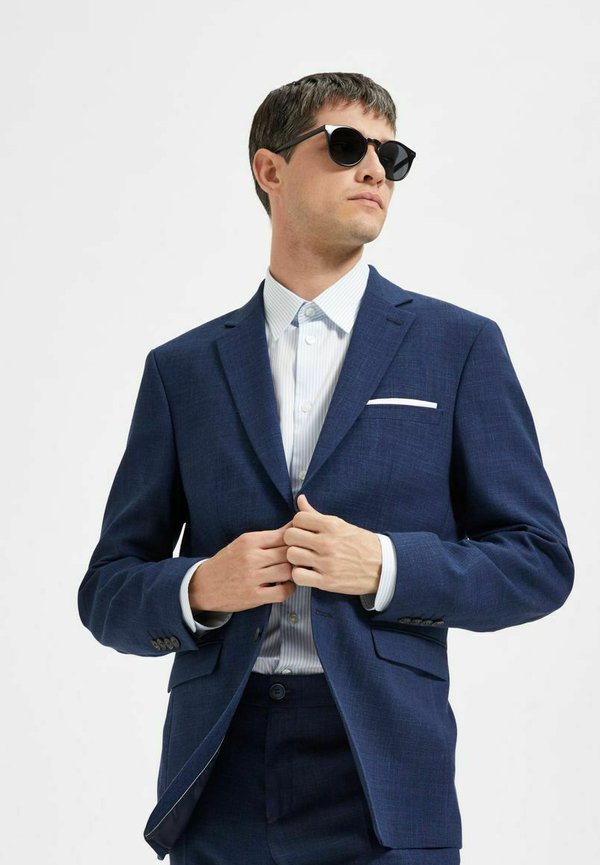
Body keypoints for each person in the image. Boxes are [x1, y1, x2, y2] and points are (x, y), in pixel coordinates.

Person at [77, 72, 575, 865]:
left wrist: (384, 565)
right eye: (346, 146)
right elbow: (106, 589)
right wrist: (201, 585)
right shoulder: (183, 370)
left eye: (391, 155)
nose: (375, 168)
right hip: (218, 773)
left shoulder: (459, 347)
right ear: (269, 169)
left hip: (385, 777)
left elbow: (538, 563)